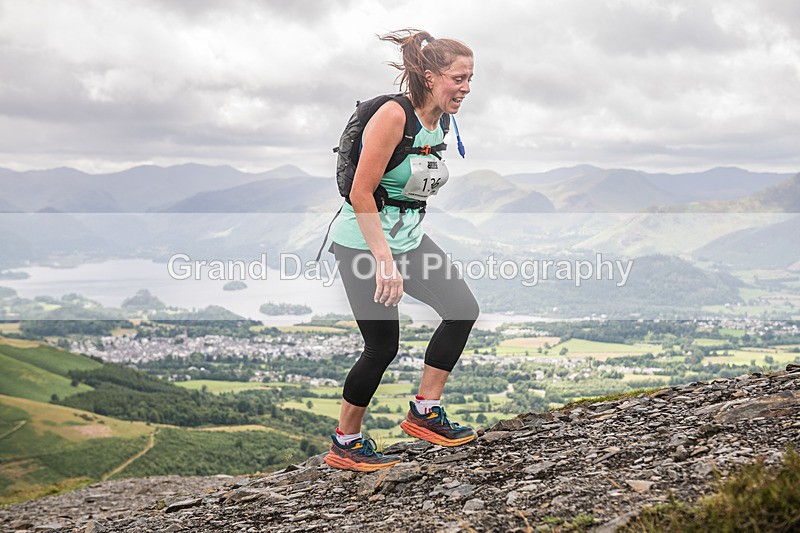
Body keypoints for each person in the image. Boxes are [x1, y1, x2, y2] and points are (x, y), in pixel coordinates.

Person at [323, 29, 480, 472]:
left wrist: (399, 249)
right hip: (363, 243)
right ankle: (345, 441)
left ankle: (425, 413)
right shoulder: (394, 116)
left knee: (461, 309)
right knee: (381, 346)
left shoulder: (440, 120)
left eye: (471, 79)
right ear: (430, 77)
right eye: (459, 78)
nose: (466, 88)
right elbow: (361, 193)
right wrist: (384, 262)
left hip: (407, 240)